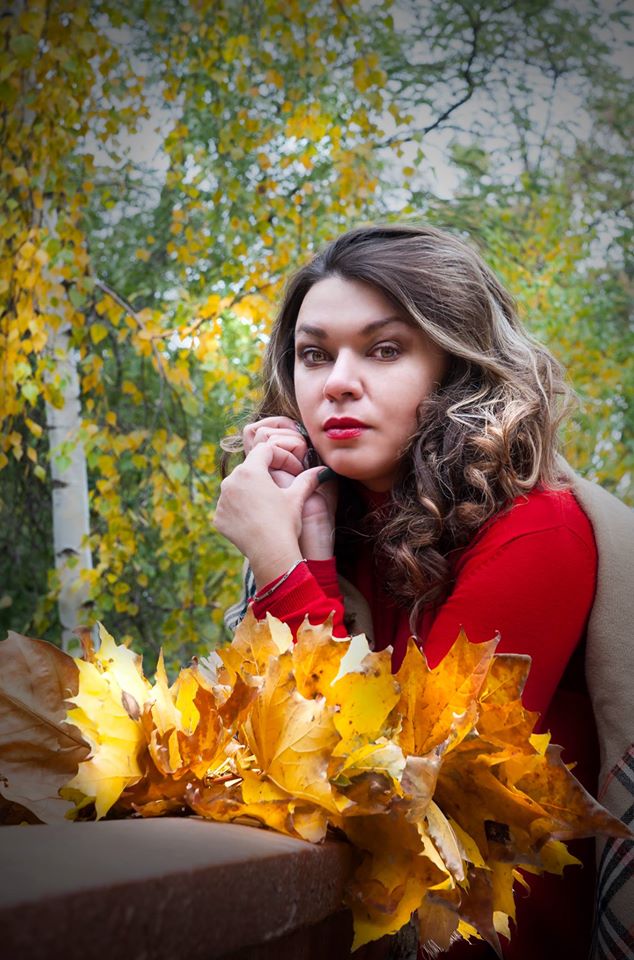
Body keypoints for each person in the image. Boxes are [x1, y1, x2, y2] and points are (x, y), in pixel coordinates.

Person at [214, 224, 629, 958]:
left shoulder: (538, 529)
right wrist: (311, 552)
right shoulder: (333, 525)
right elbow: (283, 754)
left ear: (457, 369)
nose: (337, 382)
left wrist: (282, 569)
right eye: (315, 354)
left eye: (384, 349)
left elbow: (400, 792)